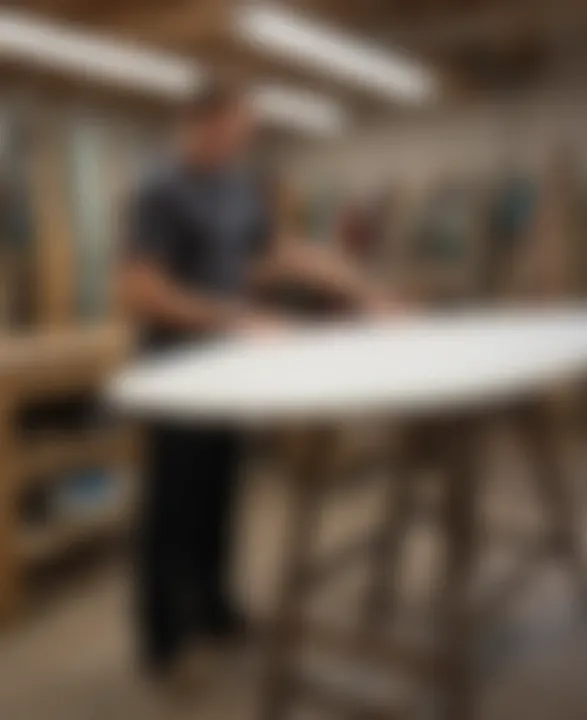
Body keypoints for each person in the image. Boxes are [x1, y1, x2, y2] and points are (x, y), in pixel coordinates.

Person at [120, 77, 395, 680]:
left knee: (221, 495)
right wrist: (237, 316)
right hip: (178, 373)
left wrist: (367, 291)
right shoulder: (161, 192)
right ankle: (162, 642)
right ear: (202, 121)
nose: (246, 140)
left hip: (231, 368)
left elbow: (283, 252)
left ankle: (216, 610)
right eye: (237, 128)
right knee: (173, 509)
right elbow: (143, 292)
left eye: (248, 131)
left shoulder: (237, 186)